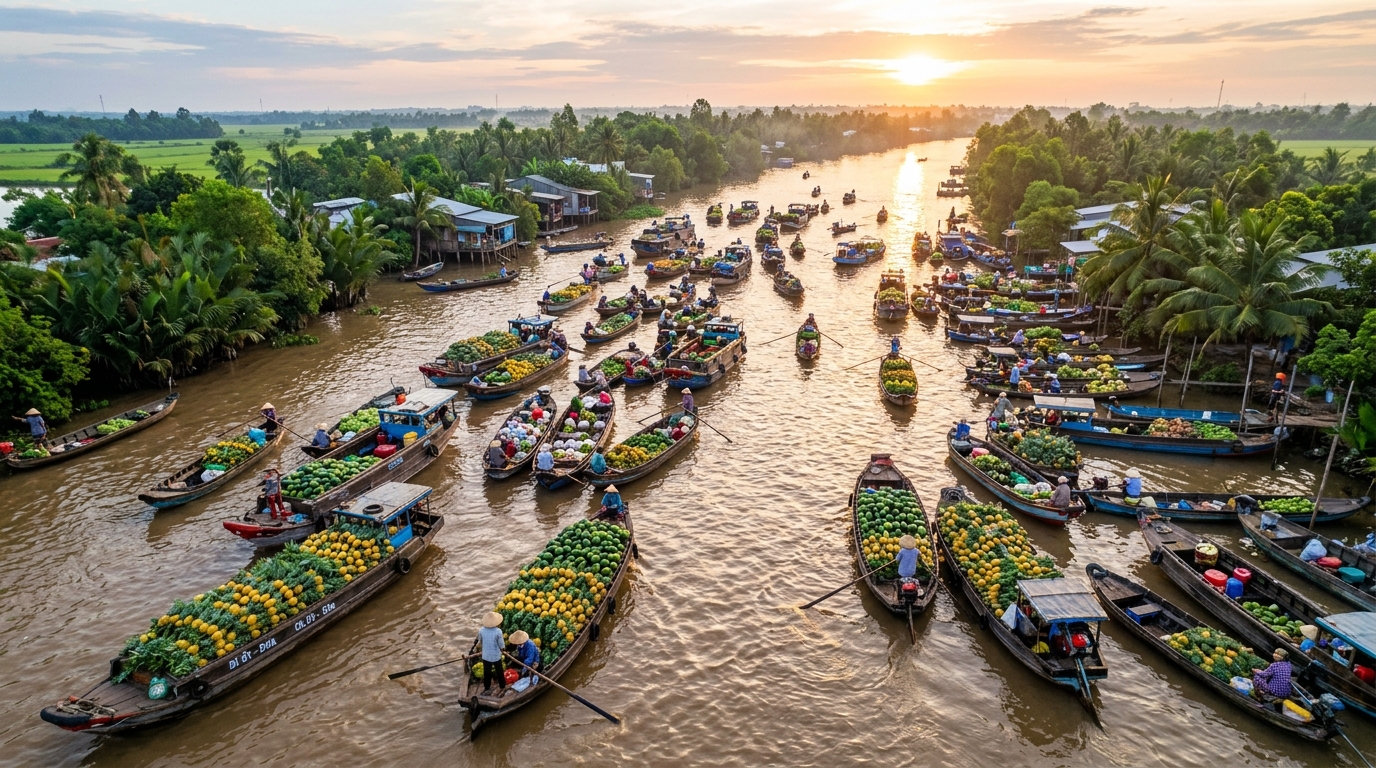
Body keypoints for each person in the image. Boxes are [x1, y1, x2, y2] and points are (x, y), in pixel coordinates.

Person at [479, 612, 506, 693]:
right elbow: (501, 644)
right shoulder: (498, 631)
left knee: (487, 672)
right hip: (495, 655)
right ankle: (502, 685)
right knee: (499, 671)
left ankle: (487, 687)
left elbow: (481, 640)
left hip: (486, 655)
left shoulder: (481, 630)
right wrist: (503, 649)